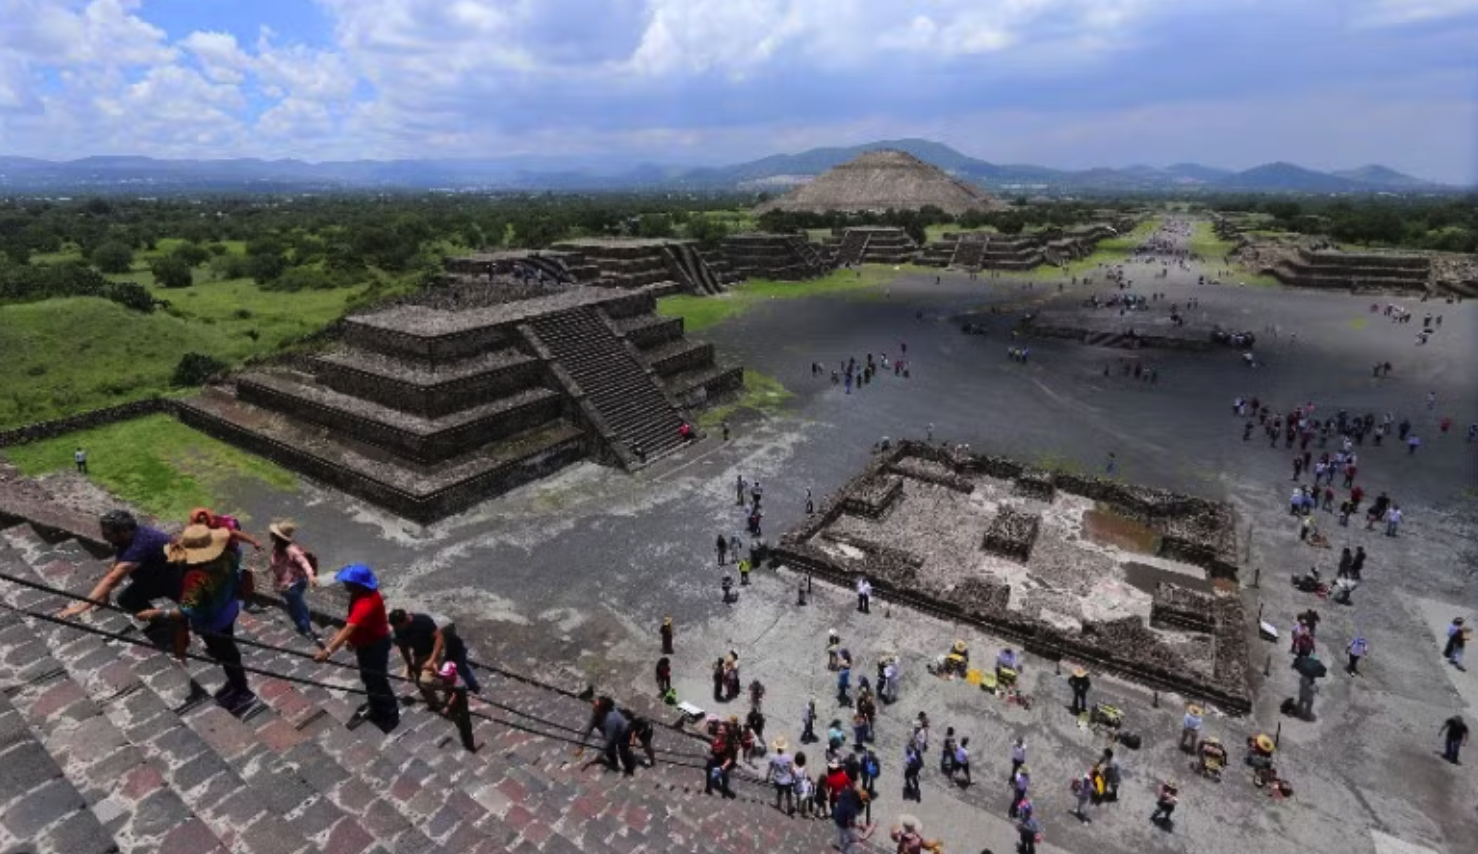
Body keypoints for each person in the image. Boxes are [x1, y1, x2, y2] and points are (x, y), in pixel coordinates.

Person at [135, 524, 251, 710]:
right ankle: (236, 681)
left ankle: (242, 690)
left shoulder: (197, 578)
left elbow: (185, 611)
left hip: (212, 621)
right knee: (228, 649)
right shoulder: (228, 557)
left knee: (226, 653)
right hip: (228, 609)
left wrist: (157, 613)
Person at [314, 564, 398, 731]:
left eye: (348, 582)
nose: (345, 584)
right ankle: (375, 705)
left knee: (377, 680)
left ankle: (388, 714)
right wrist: (353, 641)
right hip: (366, 643)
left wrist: (328, 651)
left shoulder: (366, 602)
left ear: (358, 584)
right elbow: (355, 625)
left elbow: (350, 627)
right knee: (368, 678)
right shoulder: (358, 595)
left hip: (375, 646)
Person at [59, 510, 180, 622]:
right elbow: (115, 567)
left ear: (124, 532)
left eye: (108, 533)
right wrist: (104, 597)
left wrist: (82, 606)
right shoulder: (130, 537)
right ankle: (163, 623)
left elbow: (113, 579)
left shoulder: (138, 548)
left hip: (179, 576)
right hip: (155, 575)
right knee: (128, 600)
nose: (104, 535)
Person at [266, 520, 317, 638]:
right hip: (287, 583)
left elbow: (304, 562)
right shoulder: (277, 547)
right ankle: (304, 625)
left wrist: (311, 575)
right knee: (295, 605)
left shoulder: (291, 550)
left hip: (292, 584)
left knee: (297, 608)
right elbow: (276, 563)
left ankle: (306, 629)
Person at [832, 777, 865, 853]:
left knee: (840, 833)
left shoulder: (845, 791)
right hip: (843, 823)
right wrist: (859, 826)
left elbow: (838, 796)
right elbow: (850, 823)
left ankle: (839, 845)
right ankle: (846, 851)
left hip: (837, 815)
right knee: (853, 839)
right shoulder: (852, 809)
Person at [767, 736, 796, 814]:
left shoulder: (773, 757)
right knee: (789, 794)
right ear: (783, 748)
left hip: (778, 780)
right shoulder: (788, 757)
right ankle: (789, 807)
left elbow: (770, 769)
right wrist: (794, 777)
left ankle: (778, 805)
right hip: (787, 780)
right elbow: (791, 770)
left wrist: (767, 777)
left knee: (779, 792)